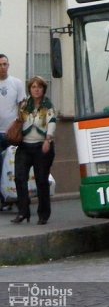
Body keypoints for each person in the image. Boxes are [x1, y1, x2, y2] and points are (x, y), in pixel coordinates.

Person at [11, 76, 56, 225]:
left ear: (43, 89)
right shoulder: (25, 105)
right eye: (33, 87)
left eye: (39, 87)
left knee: (41, 180)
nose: (36, 89)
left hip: (41, 146)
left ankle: (43, 214)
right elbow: (19, 121)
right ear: (29, 89)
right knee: (19, 177)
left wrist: (48, 140)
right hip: (25, 146)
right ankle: (23, 211)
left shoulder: (47, 105)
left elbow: (52, 122)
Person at [0, 54, 26, 210]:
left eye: (5, 64)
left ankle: (14, 198)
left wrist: (19, 125)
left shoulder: (16, 83)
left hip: (12, 134)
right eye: (0, 64)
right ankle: (2, 199)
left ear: (8, 65)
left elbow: (22, 105)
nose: (2, 67)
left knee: (12, 167)